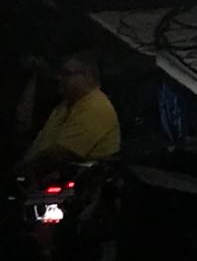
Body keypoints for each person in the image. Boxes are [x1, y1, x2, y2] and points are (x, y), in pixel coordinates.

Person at [16, 50, 120, 180]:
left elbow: (63, 153)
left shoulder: (96, 106)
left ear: (87, 76)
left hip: (81, 186)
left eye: (67, 74)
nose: (59, 78)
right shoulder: (64, 106)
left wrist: (21, 171)